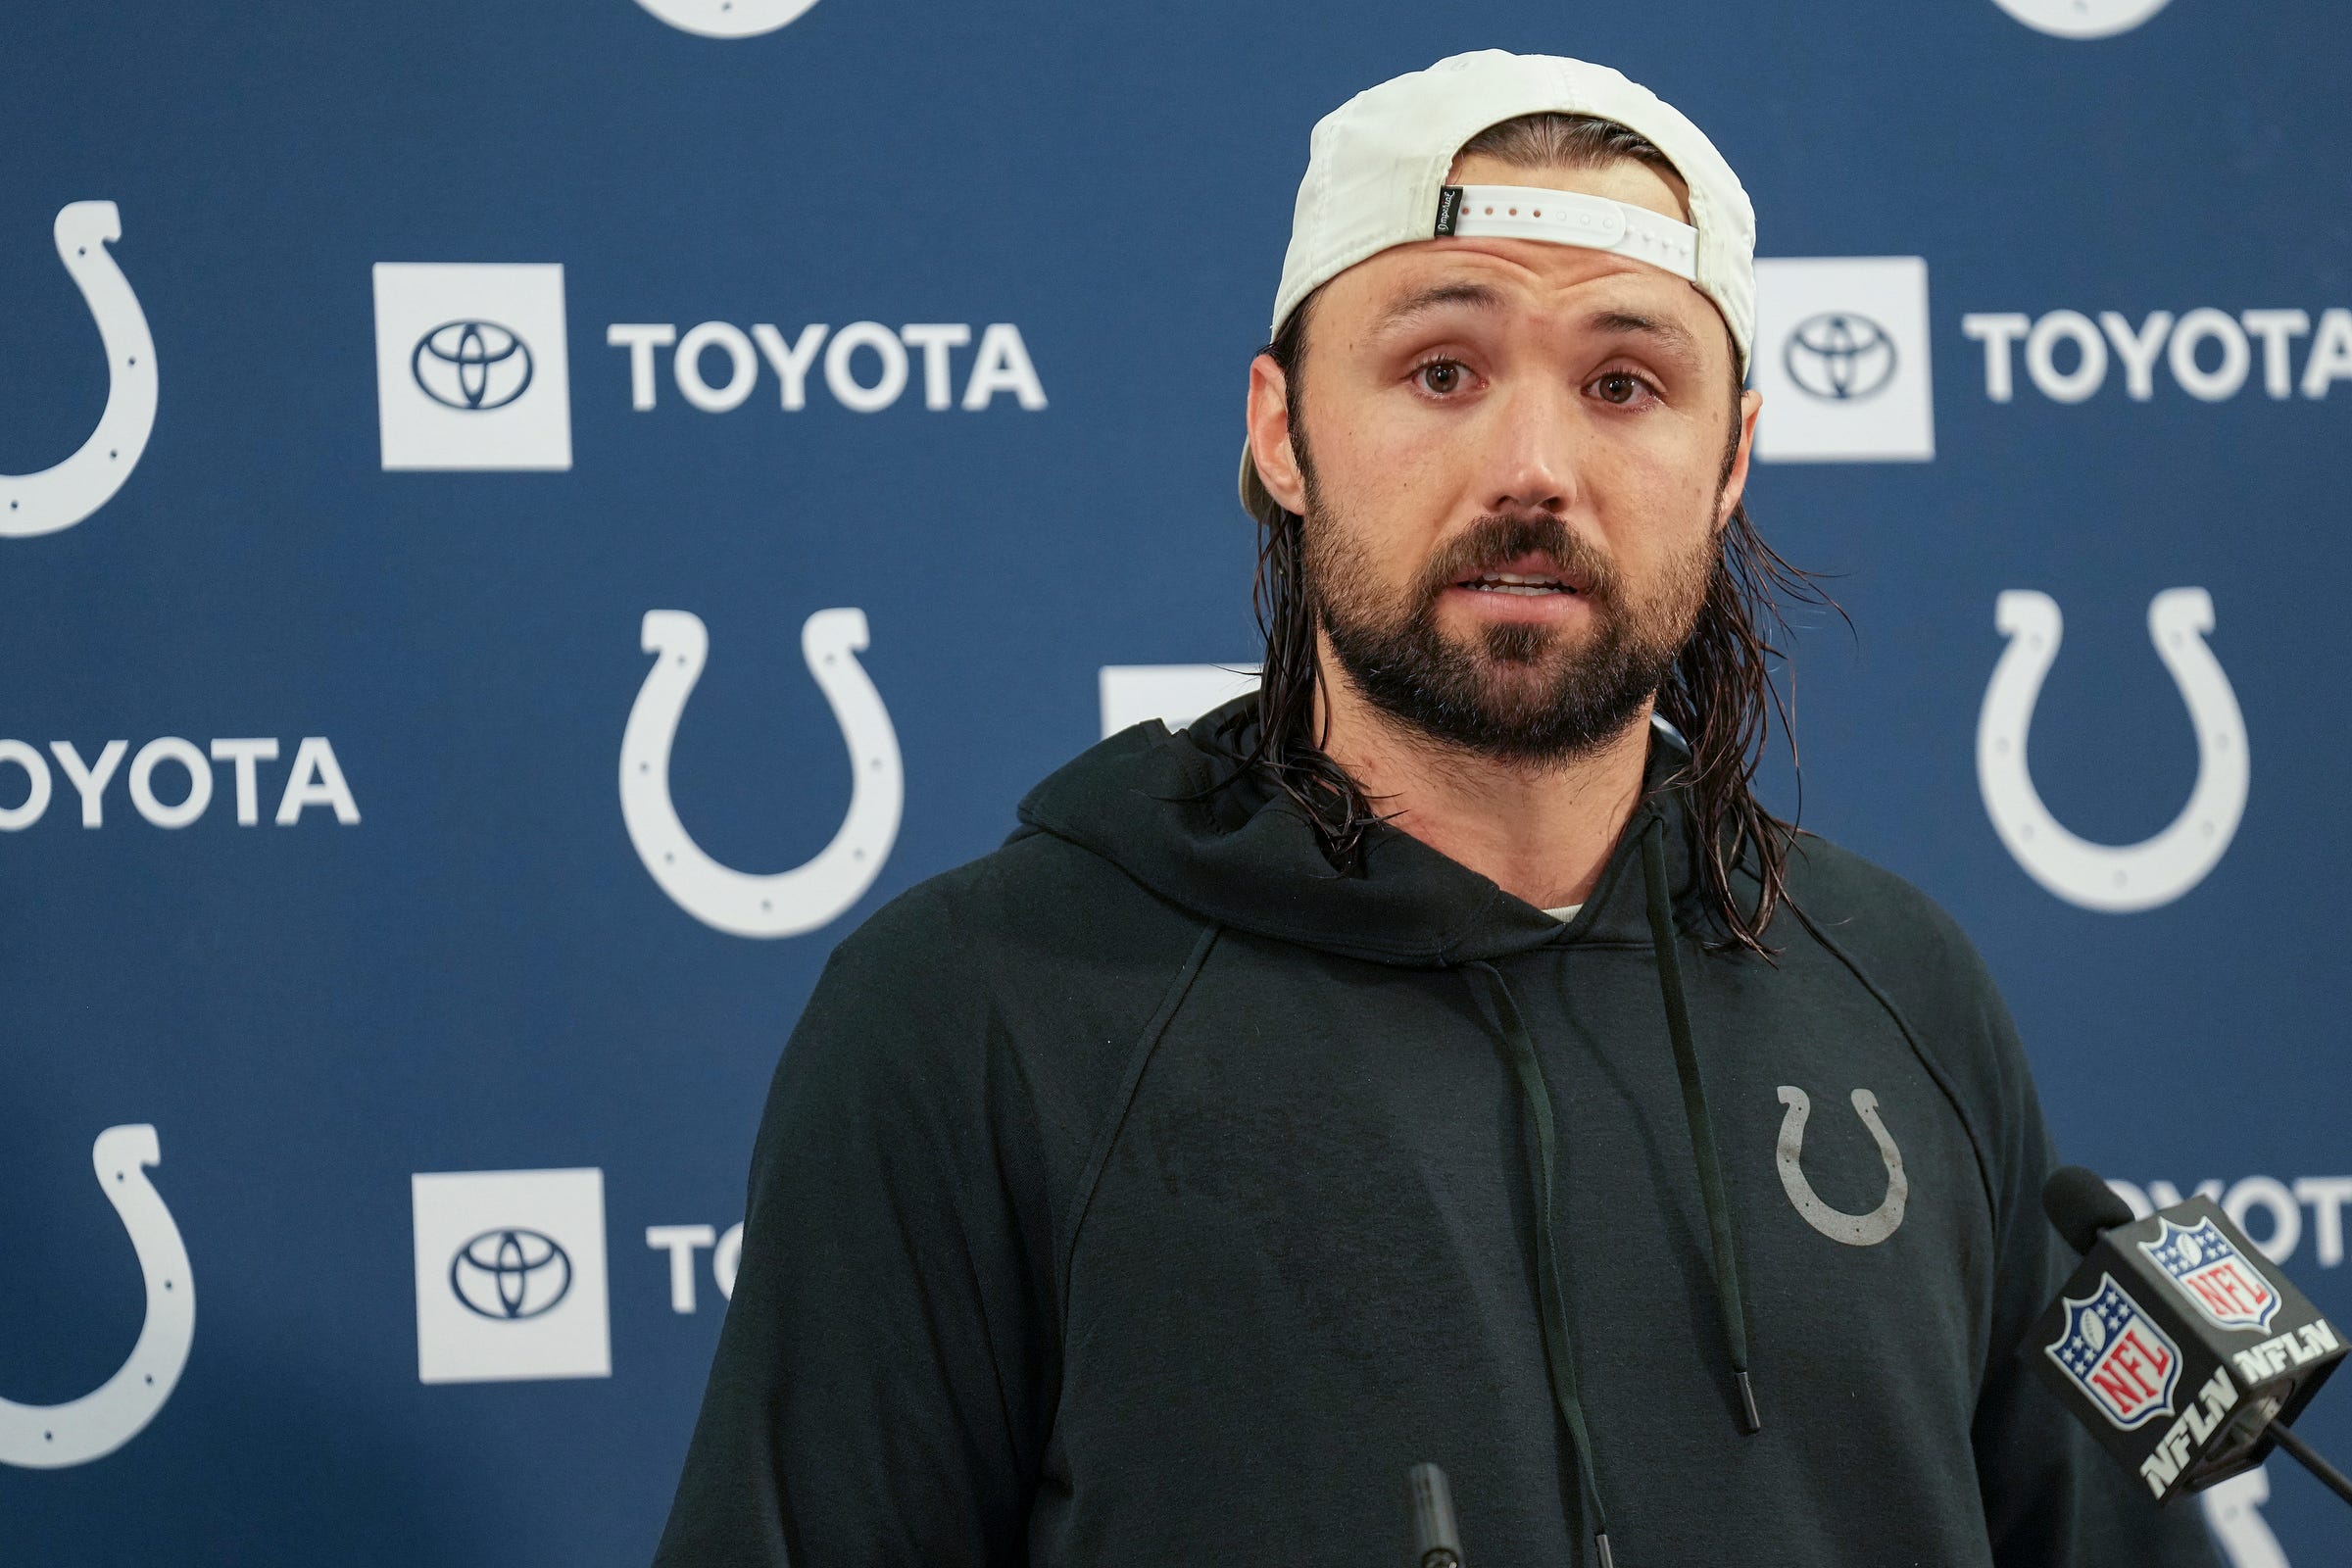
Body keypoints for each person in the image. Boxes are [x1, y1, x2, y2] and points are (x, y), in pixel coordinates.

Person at [653, 49, 2221, 1568]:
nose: (1533, 466)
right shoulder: (977, 1015)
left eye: (1625, 383)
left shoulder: (1904, 990)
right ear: (1282, 432)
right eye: (1443, 370)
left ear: (1731, 458)